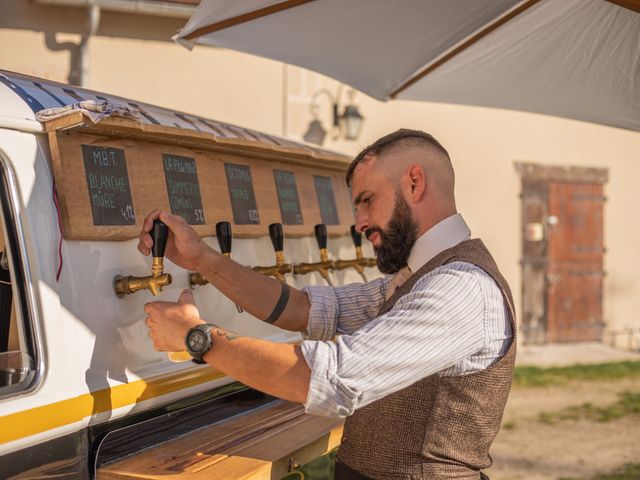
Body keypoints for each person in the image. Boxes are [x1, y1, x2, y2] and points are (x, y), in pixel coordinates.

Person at [138, 129, 515, 480]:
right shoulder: (414, 279)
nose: (359, 223)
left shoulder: (460, 289)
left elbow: (329, 378)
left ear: (414, 183)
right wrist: (203, 259)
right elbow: (302, 309)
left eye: (367, 201)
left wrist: (196, 337)